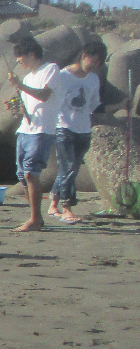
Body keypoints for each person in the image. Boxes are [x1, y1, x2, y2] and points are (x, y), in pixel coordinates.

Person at [8, 38, 62, 233]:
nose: (18, 61)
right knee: (22, 175)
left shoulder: (51, 69)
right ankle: (35, 217)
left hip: (42, 130)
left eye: (20, 57)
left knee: (31, 173)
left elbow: (44, 95)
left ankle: (35, 219)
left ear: (31, 54)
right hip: (25, 130)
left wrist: (19, 85)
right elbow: (27, 108)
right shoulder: (28, 77)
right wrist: (16, 108)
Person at [49, 40, 106, 224]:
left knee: (68, 169)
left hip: (84, 129)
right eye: (93, 61)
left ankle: (53, 205)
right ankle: (67, 208)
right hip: (64, 127)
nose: (95, 65)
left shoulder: (93, 79)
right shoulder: (62, 76)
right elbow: (49, 99)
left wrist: (121, 105)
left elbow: (94, 106)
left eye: (99, 63)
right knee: (69, 167)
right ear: (84, 56)